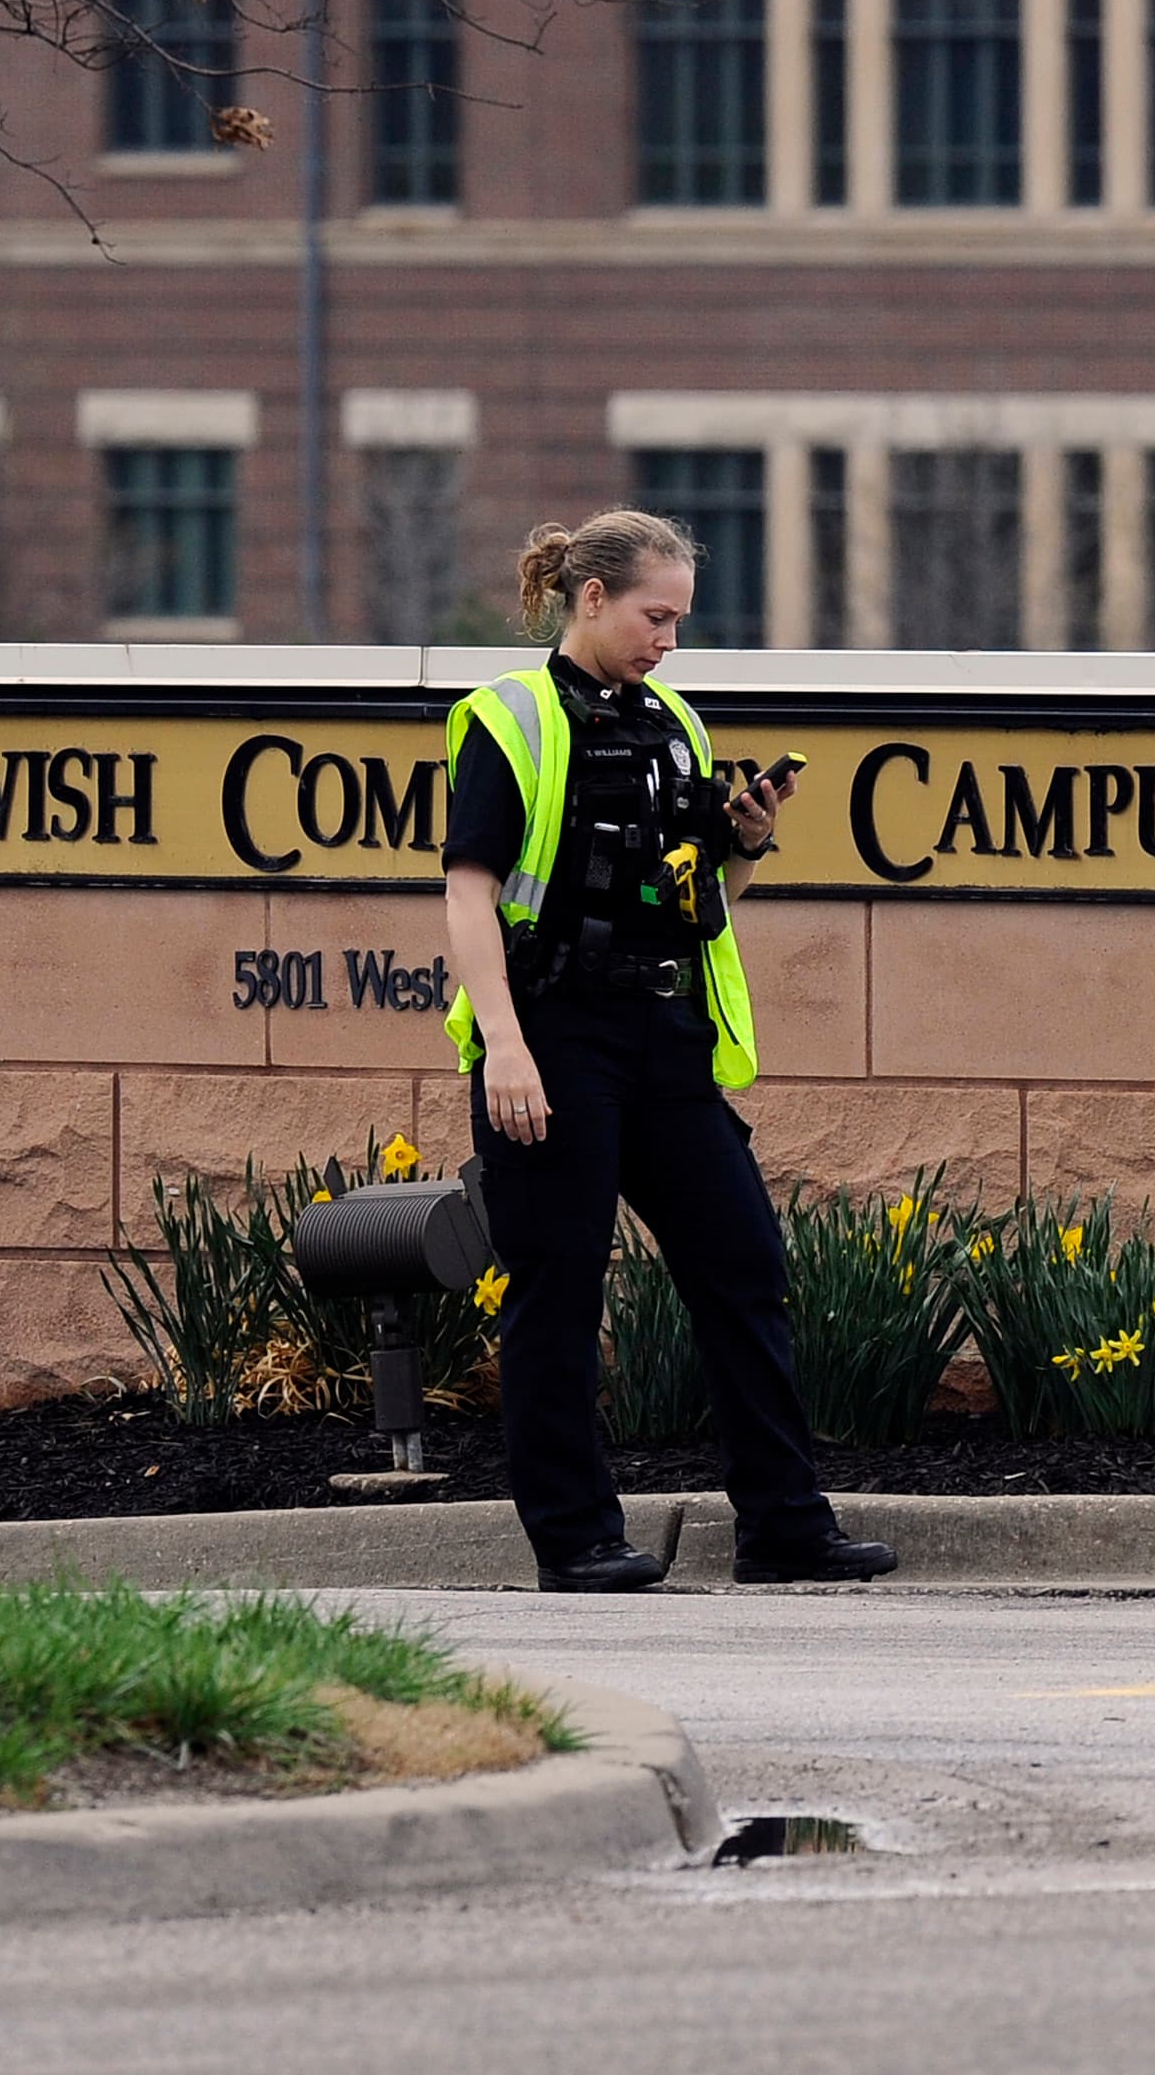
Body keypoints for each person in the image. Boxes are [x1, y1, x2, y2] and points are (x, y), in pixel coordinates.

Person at [439, 508, 896, 1594]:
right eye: (655, 615)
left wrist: (745, 843)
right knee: (558, 1287)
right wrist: (504, 1046)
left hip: (664, 1032)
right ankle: (576, 1537)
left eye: (679, 620)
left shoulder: (675, 724)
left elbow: (700, 907)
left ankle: (784, 1527)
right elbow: (466, 895)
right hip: (552, 1035)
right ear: (589, 596)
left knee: (744, 1268)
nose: (668, 640)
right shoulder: (508, 720)